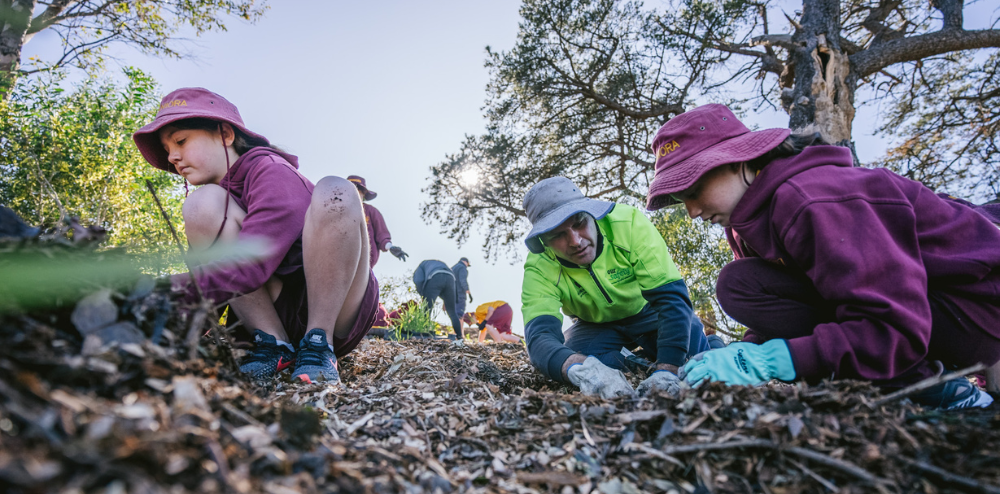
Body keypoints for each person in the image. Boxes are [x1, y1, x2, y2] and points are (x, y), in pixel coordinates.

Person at [645, 103, 1000, 409]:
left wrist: (772, 361)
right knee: (740, 284)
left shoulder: (812, 198)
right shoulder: (745, 220)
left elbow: (894, 326)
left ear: (738, 159)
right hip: (919, 317)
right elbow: (782, 307)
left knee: (738, 284)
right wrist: (741, 353)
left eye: (694, 189)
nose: (690, 211)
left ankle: (939, 390)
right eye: (680, 198)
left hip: (975, 310)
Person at [133, 87, 379, 384]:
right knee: (200, 204)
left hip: (333, 307)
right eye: (167, 148)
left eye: (181, 141)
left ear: (225, 134)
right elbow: (213, 285)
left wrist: (160, 293)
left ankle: (318, 344)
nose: (172, 156)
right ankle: (273, 344)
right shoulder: (215, 201)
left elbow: (250, 262)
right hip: (276, 309)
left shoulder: (269, 168)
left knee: (336, 189)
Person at [520, 177, 711, 399]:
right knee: (571, 353)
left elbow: (671, 299)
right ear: (544, 241)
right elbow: (540, 336)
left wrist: (667, 370)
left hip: (649, 311)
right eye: (557, 235)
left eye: (579, 222)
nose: (575, 241)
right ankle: (638, 363)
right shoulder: (539, 266)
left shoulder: (628, 223)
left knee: (691, 347)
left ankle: (710, 344)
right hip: (595, 326)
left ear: (591, 214)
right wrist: (582, 369)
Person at [348, 175, 409, 267]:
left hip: (364, 263)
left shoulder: (370, 211)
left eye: (359, 190)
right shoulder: (335, 212)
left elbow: (381, 234)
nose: (355, 193)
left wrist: (390, 247)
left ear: (364, 194)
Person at [413, 259, 463, 339]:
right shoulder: (442, 264)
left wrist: (423, 295)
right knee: (452, 312)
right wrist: (446, 300)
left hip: (435, 277)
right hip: (451, 279)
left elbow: (418, 280)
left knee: (427, 310)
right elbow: (445, 279)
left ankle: (424, 336)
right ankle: (460, 337)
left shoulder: (422, 265)